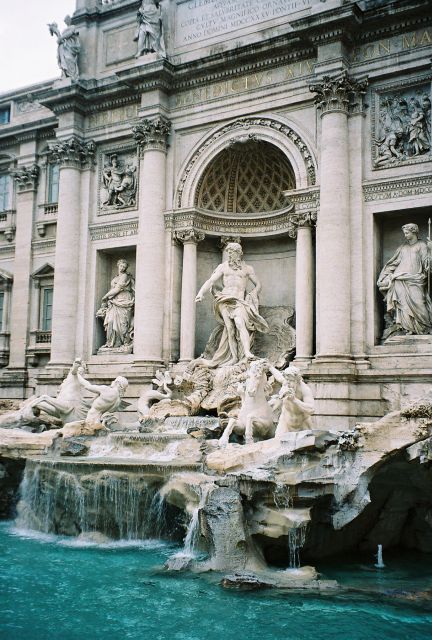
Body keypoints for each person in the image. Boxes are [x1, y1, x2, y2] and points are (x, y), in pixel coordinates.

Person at [194, 242, 268, 367]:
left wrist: (254, 293)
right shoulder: (223, 267)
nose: (229, 255)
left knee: (240, 323)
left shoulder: (247, 269)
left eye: (231, 252)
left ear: (238, 253)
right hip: (224, 299)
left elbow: (258, 284)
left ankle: (247, 352)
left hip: (239, 300)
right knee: (230, 328)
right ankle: (234, 357)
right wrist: (200, 293)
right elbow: (211, 281)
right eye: (228, 252)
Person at [377, 223, 432, 335]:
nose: (405, 235)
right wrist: (385, 276)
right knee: (402, 305)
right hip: (400, 279)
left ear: (414, 232)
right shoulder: (402, 248)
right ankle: (408, 329)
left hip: (416, 279)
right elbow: (394, 263)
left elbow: (427, 265)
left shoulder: (422, 245)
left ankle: (424, 327)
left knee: (419, 303)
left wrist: (430, 250)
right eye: (404, 233)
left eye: (407, 233)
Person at [97, 259, 135, 350]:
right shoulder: (115, 278)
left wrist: (106, 296)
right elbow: (113, 290)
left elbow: (118, 289)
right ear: (118, 265)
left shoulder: (125, 276)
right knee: (110, 321)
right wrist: (109, 299)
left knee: (123, 324)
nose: (122, 268)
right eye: (121, 266)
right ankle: (110, 343)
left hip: (124, 300)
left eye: (124, 267)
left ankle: (123, 342)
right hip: (115, 301)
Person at [268, 364, 315, 436]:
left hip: (303, 423)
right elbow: (279, 376)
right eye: (286, 379)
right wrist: (270, 367)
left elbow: (311, 409)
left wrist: (294, 400)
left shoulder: (304, 389)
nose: (287, 382)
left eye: (290, 380)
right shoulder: (286, 383)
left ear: (297, 380)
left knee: (308, 442)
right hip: (285, 423)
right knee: (278, 440)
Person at [48, 16, 80, 82]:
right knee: (63, 60)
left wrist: (61, 38)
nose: (66, 21)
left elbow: (70, 33)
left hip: (70, 47)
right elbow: (59, 37)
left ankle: (72, 76)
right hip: (64, 46)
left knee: (69, 58)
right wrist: (55, 31)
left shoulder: (73, 27)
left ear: (69, 20)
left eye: (67, 20)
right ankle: (65, 75)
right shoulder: (64, 30)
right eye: (65, 21)